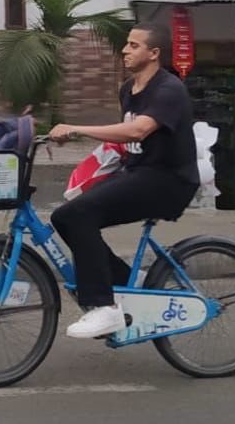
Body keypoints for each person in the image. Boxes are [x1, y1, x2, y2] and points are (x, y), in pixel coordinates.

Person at [48, 21, 200, 339]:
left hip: (169, 181)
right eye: (126, 45)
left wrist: (76, 128)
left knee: (81, 214)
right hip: (139, 173)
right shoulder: (127, 90)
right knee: (64, 216)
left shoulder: (168, 89)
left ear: (154, 53)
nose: (125, 50)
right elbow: (127, 142)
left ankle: (104, 307)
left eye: (134, 45)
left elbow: (137, 131)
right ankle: (128, 280)